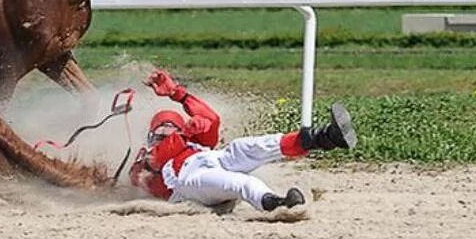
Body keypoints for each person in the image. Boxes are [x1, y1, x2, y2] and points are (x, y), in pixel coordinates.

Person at [129, 69, 357, 212]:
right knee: (241, 183)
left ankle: (323, 138)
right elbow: (151, 166)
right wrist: (183, 134)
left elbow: (212, 119)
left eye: (172, 128)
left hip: (211, 159)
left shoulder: (194, 144)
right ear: (151, 137)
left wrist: (178, 94)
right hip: (188, 182)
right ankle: (276, 204)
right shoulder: (145, 161)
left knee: (244, 147)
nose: (167, 132)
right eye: (161, 132)